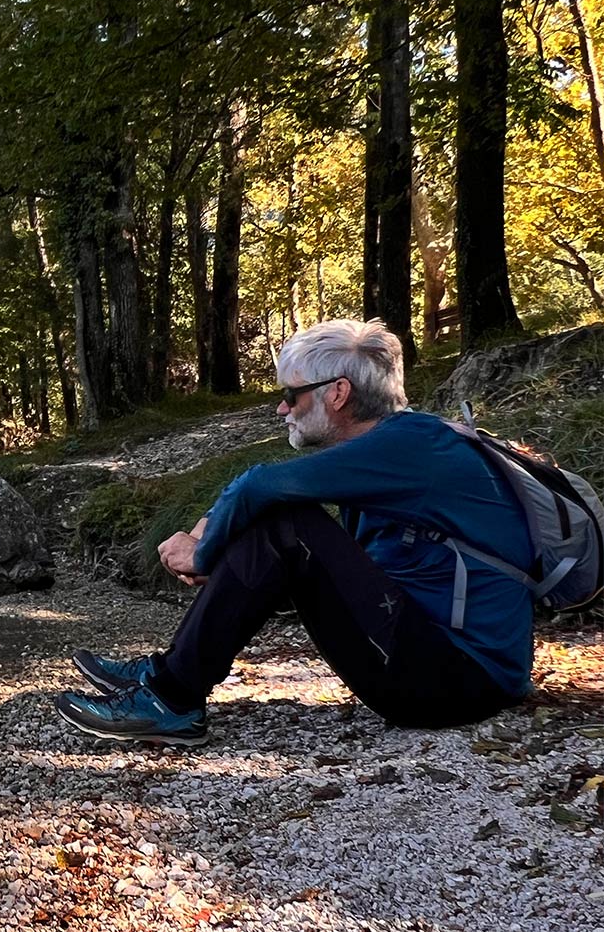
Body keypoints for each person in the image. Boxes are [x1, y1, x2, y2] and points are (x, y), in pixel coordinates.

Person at [55, 319, 533, 746]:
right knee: (281, 518)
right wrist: (209, 535)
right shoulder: (402, 443)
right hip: (442, 661)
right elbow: (266, 495)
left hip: (459, 681)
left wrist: (203, 553)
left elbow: (261, 485)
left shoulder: (409, 448)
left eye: (292, 394)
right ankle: (166, 675)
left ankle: (171, 697)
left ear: (338, 393)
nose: (282, 408)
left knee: (285, 524)